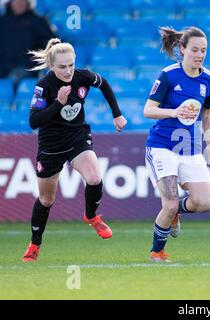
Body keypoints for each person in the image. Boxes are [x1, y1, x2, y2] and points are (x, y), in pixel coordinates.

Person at [22, 38, 128, 262]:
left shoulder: (83, 76)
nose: (68, 70)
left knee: (95, 177)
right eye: (62, 67)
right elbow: (34, 121)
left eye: (71, 64)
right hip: (51, 146)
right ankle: (34, 244)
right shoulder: (44, 86)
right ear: (52, 66)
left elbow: (105, 84)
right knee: (46, 199)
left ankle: (91, 217)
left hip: (77, 137)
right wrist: (58, 103)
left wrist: (116, 114)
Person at [143, 26, 210, 262]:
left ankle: (177, 211)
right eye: (195, 50)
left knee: (203, 202)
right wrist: (173, 112)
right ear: (182, 49)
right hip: (161, 146)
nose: (199, 55)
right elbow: (148, 110)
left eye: (204, 51)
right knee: (168, 205)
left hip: (189, 148)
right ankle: (157, 252)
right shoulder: (168, 75)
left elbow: (207, 113)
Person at [0, 0, 56, 89]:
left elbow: (52, 44)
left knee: (14, 79)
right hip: (3, 66)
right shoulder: (2, 22)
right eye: (16, 1)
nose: (19, 3)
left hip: (26, 67)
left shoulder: (38, 21)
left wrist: (35, 59)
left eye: (23, 1)